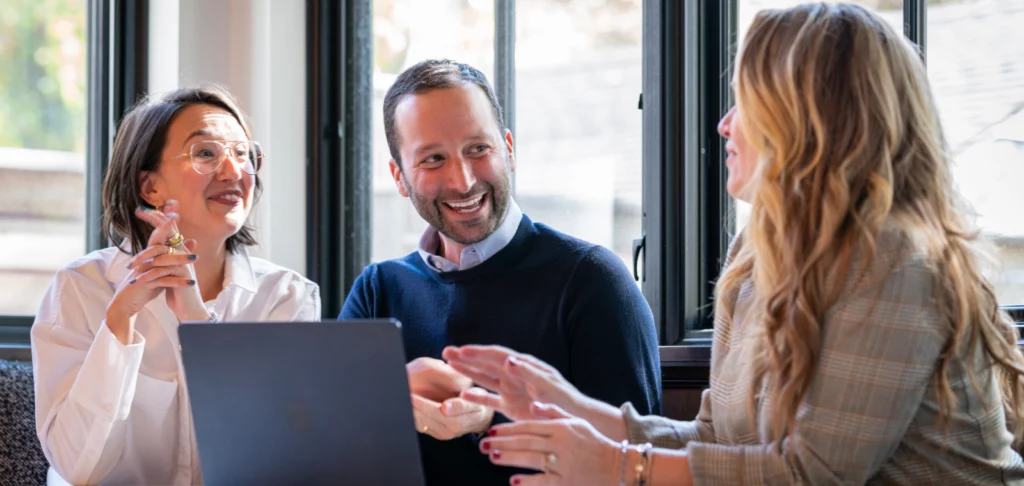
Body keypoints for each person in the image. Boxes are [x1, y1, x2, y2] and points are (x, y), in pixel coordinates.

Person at [444, 3, 1024, 485]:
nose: (724, 123)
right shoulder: (757, 248)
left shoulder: (898, 260)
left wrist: (620, 466)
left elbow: (813, 474)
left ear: (809, 121)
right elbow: (718, 442)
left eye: (746, 100)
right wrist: (575, 407)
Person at [339, 59, 661, 485]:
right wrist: (390, 395)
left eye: (478, 149)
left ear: (508, 149)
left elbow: (634, 463)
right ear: (399, 177)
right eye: (433, 159)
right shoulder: (378, 290)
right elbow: (334, 447)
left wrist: (487, 418)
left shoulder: (592, 281)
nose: (463, 180)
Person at [31, 86, 321, 486]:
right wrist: (119, 322)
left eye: (242, 154)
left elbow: (276, 461)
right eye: (206, 153)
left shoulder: (286, 298)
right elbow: (78, 468)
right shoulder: (79, 289)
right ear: (150, 187)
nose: (234, 171)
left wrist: (197, 323)